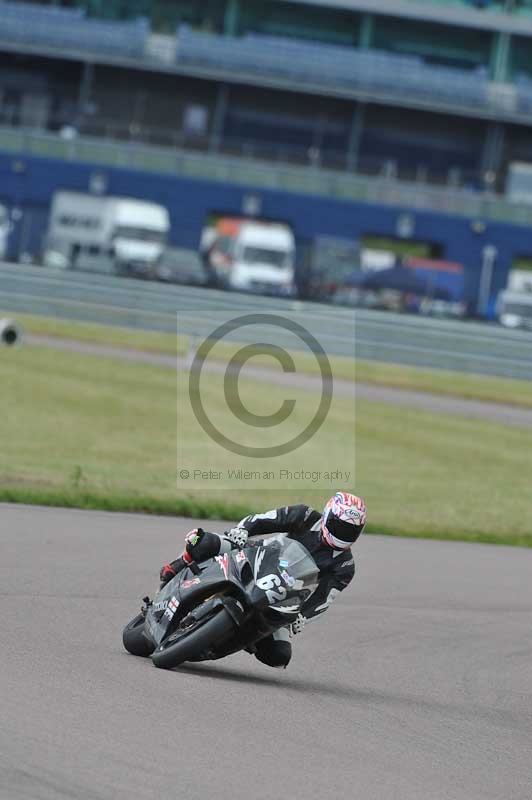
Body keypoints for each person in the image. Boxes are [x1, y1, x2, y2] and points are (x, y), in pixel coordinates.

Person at [159, 492, 366, 668]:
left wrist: (303, 616)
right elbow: (263, 519)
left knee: (279, 655)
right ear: (328, 514)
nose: (343, 534)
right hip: (256, 556)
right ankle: (178, 564)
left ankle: (235, 639)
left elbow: (324, 598)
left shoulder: (345, 566)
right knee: (203, 540)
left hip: (283, 596)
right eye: (339, 526)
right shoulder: (304, 515)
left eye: (350, 531)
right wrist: (243, 531)